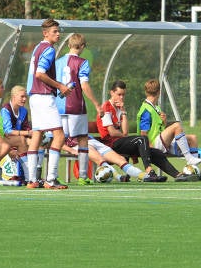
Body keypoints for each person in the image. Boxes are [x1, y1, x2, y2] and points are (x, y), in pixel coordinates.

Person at [96, 80, 190, 182]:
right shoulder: (106, 107)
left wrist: (123, 112)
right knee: (142, 139)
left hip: (119, 142)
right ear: (112, 93)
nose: (121, 97)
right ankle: (149, 172)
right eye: (119, 94)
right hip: (109, 144)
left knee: (156, 152)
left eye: (123, 95)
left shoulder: (119, 108)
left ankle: (177, 175)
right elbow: (112, 132)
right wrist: (124, 135)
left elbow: (125, 132)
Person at [25, 18, 71, 189]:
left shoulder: (38, 47)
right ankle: (50, 179)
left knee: (37, 135)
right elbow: (40, 73)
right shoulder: (49, 49)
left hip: (34, 97)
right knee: (59, 136)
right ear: (45, 33)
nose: (58, 34)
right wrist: (60, 86)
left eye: (59, 31)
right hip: (44, 97)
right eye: (54, 32)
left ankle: (32, 180)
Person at [55, 33, 103, 185]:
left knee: (58, 139)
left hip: (58, 106)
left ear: (69, 45)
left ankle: (52, 175)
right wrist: (96, 104)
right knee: (82, 138)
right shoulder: (82, 62)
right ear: (82, 46)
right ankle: (83, 176)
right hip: (75, 106)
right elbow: (84, 85)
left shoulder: (57, 62)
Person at [137, 78, 201, 167]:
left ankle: (193, 169)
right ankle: (189, 158)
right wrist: (149, 148)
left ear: (146, 92)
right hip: (152, 145)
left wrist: (164, 122)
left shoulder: (155, 108)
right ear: (159, 92)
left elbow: (158, 128)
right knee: (176, 126)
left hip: (161, 141)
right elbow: (143, 133)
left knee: (192, 138)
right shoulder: (146, 109)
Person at [1, 84, 33, 181]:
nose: (24, 99)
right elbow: (7, 131)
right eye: (22, 97)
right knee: (22, 139)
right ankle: (28, 176)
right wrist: (27, 133)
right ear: (14, 97)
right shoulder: (5, 109)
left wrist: (32, 134)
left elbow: (26, 128)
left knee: (37, 144)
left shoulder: (24, 111)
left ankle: (35, 175)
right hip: (5, 140)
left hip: (19, 141)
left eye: (25, 97)